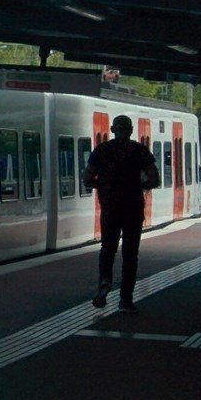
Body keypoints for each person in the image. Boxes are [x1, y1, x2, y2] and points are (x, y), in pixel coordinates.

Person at [83, 116, 160, 313]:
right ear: (131, 130)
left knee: (107, 249)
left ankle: (105, 282)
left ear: (112, 129)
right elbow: (154, 177)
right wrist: (142, 185)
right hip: (133, 208)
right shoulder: (139, 150)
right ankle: (126, 300)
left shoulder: (102, 150)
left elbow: (87, 178)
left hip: (110, 208)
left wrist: (102, 185)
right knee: (130, 254)